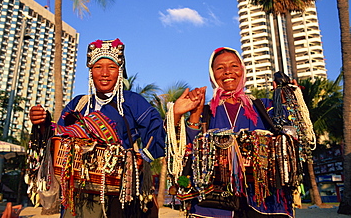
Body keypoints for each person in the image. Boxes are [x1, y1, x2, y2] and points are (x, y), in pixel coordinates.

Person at [29, 38, 166, 218]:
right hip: (78, 193)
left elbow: (157, 129)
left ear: (120, 71)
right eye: (97, 67)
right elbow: (59, 139)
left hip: (119, 193)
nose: (104, 73)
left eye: (112, 67)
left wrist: (144, 156)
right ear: (90, 71)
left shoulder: (131, 102)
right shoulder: (78, 104)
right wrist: (43, 124)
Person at [170, 47, 300, 217]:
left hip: (267, 203)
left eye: (234, 66)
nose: (227, 72)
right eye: (220, 68)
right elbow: (186, 152)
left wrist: (287, 101)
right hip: (213, 205)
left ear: (242, 69)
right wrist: (189, 114)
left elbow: (292, 138)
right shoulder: (205, 111)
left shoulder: (266, 107)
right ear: (212, 75)